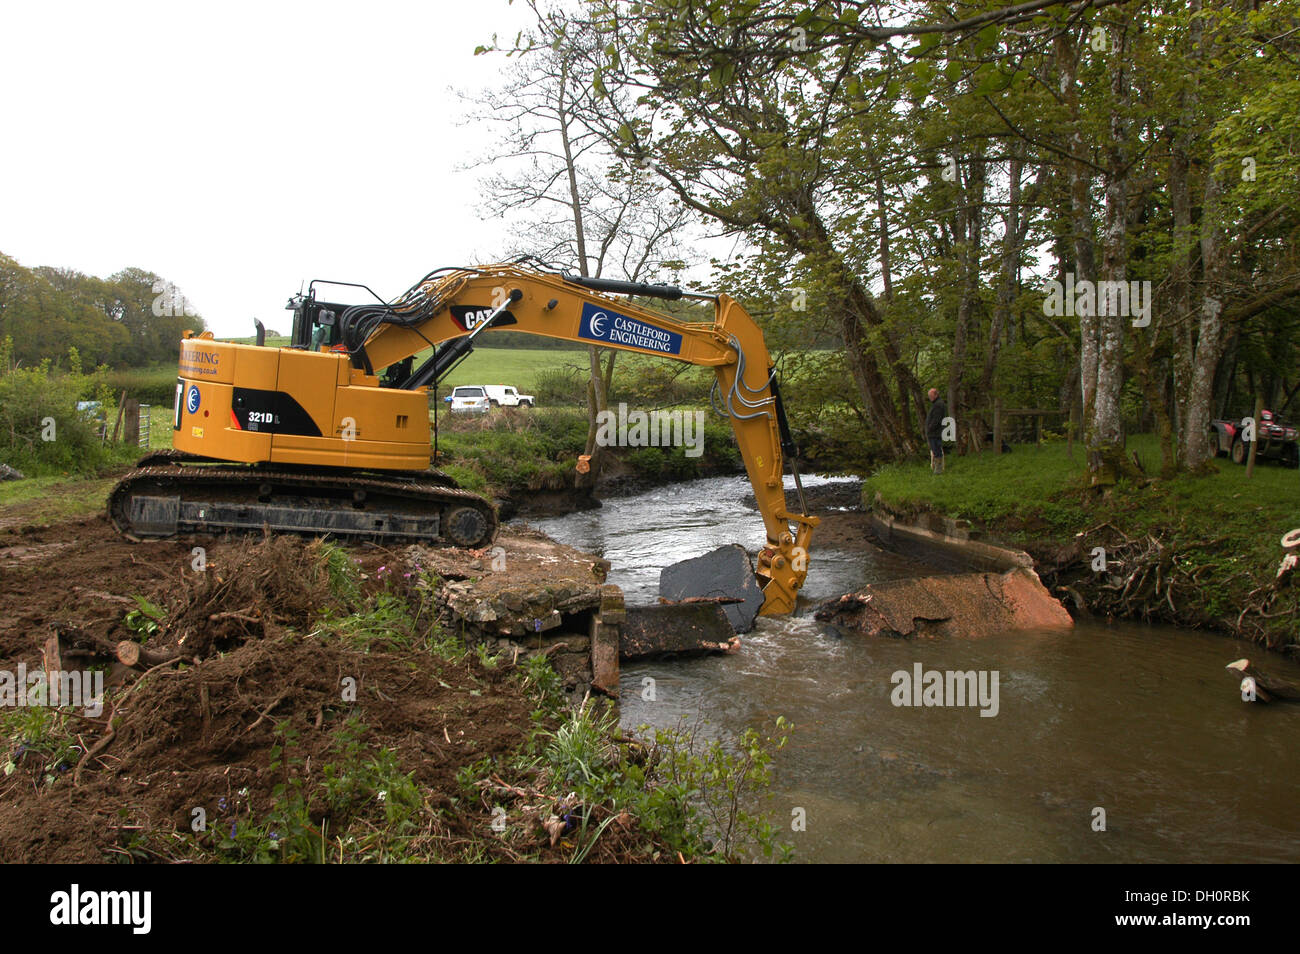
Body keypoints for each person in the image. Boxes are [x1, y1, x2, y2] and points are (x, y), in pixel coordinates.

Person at [924, 388, 947, 475]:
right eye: (929, 396)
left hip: (935, 432)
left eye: (931, 395)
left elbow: (936, 420)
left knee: (936, 449)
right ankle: (937, 468)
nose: (929, 397)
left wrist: (930, 428)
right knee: (935, 449)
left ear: (936, 395)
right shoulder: (936, 404)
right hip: (934, 432)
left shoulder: (938, 405)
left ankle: (938, 469)